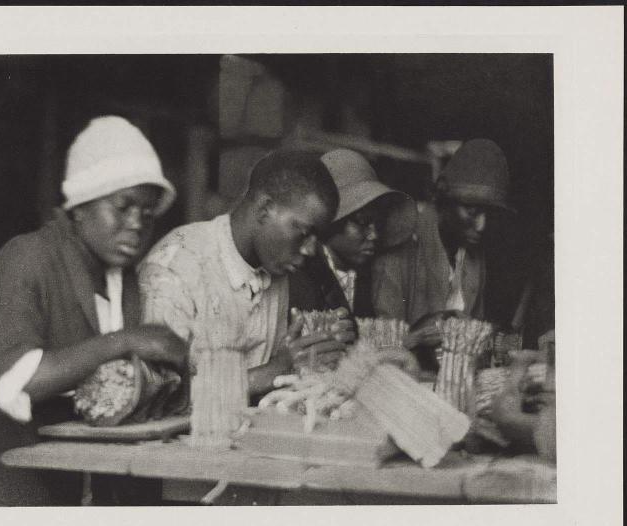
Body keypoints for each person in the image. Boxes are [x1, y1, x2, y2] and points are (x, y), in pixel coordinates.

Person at [0, 116, 189, 506]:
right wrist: (126, 342)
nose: (136, 224)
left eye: (148, 214)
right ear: (80, 206)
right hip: (9, 490)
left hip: (78, 488)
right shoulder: (27, 258)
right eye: (123, 207)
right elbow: (16, 382)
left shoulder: (123, 278)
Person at [138, 150, 356, 407]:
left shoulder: (275, 266)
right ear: (264, 209)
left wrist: (318, 349)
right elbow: (159, 398)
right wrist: (276, 369)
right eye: (304, 233)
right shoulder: (177, 266)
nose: (310, 250)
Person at [372, 138, 516, 355]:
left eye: (490, 213)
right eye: (471, 210)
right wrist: (421, 332)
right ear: (444, 198)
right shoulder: (402, 244)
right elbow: (380, 345)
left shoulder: (472, 254)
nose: (481, 225)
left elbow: (475, 334)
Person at [288, 148, 411, 319]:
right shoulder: (300, 279)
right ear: (331, 222)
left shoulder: (370, 275)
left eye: (378, 223)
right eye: (363, 222)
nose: (374, 235)